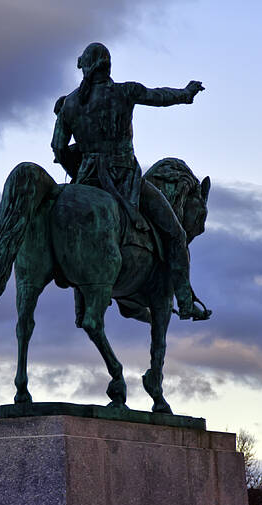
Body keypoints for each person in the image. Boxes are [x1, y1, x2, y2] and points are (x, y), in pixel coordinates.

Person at [51, 42, 208, 320]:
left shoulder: (69, 104)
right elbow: (159, 96)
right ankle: (184, 301)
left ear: (85, 68)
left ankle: (82, 301)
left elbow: (58, 148)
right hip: (125, 179)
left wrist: (76, 170)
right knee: (176, 234)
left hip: (86, 180)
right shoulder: (124, 91)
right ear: (108, 66)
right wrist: (185, 94)